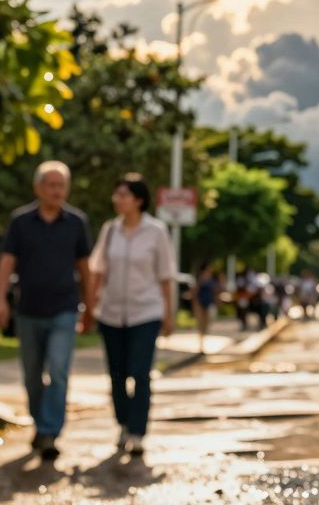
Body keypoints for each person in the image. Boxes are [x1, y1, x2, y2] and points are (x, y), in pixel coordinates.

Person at [0, 161, 95, 461]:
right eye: (51, 185)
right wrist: (0, 300)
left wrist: (90, 306)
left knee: (59, 369)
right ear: (38, 187)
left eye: (61, 185)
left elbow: (85, 269)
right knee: (32, 376)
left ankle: (50, 431)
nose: (56, 191)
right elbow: (6, 263)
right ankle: (40, 424)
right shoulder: (20, 222)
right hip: (28, 311)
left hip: (64, 309)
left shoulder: (76, 222)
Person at [88, 174, 176, 455]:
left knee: (139, 373)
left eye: (123, 195)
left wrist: (169, 313)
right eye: (116, 195)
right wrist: (90, 307)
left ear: (138, 200)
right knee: (116, 374)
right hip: (112, 313)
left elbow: (166, 276)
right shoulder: (110, 230)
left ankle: (138, 431)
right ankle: (123, 423)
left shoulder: (156, 231)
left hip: (146, 312)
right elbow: (98, 271)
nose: (118, 200)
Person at [193, 264, 218, 352]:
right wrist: (195, 303)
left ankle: (203, 341)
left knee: (207, 324)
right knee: (201, 324)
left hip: (208, 304)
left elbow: (214, 291)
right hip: (201, 304)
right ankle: (201, 344)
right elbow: (195, 291)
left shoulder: (211, 280)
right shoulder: (201, 279)